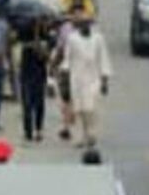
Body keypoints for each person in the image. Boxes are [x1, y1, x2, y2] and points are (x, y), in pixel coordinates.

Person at [60, 10, 111, 149]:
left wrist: (105, 79)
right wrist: (64, 78)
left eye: (87, 23)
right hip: (76, 79)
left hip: (93, 78)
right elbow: (67, 59)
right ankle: (79, 137)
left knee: (91, 108)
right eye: (82, 24)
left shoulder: (98, 38)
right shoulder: (72, 39)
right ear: (78, 25)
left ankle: (91, 134)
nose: (85, 26)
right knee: (78, 109)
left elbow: (103, 58)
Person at [19, 17, 53, 143]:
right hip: (26, 75)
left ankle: (38, 129)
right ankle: (28, 131)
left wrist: (38, 43)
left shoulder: (47, 39)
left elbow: (45, 56)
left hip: (39, 75)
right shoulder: (25, 40)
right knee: (27, 104)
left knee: (39, 103)